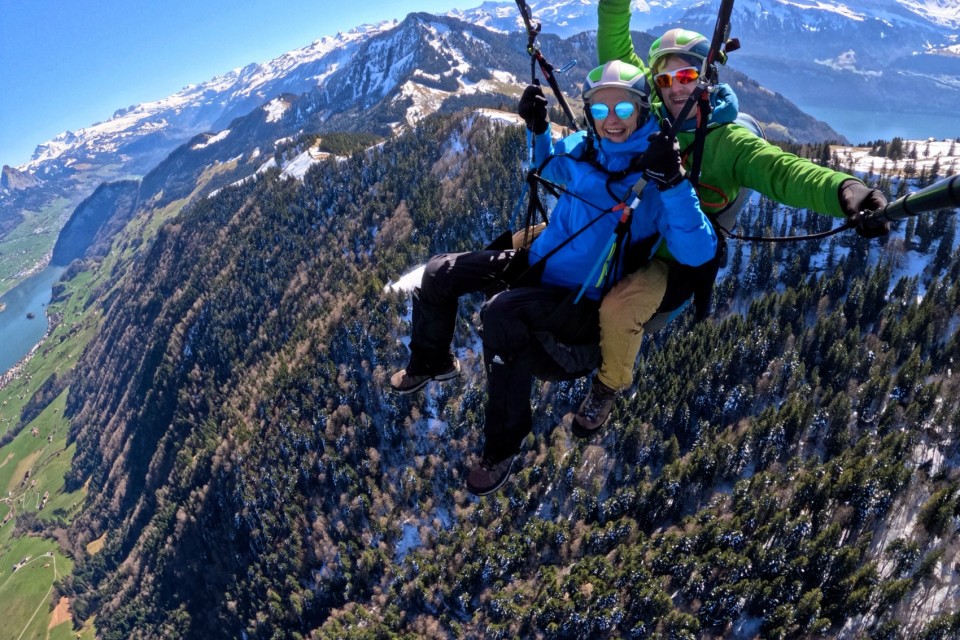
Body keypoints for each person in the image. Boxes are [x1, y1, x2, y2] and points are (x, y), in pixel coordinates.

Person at [390, 60, 717, 495]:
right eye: (600, 111)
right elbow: (547, 166)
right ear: (589, 115)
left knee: (500, 313)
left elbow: (699, 251)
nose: (613, 121)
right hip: (539, 267)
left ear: (642, 109)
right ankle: (431, 361)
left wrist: (675, 182)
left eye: (623, 109)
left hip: (579, 305)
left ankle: (502, 446)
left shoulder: (657, 172)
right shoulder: (586, 147)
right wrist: (539, 127)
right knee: (438, 271)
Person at [569, 0, 891, 435]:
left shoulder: (730, 142)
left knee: (620, 308)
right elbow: (613, 44)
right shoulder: (655, 111)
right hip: (632, 226)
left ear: (706, 76)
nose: (675, 88)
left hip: (671, 255)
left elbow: (782, 172)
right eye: (664, 79)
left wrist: (846, 190)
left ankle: (608, 386)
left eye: (686, 76)